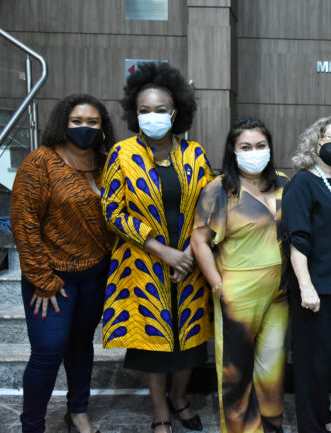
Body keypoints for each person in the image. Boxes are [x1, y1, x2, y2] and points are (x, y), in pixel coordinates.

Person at [100, 62, 214, 433]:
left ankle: (179, 398)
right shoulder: (121, 154)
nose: (152, 116)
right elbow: (112, 211)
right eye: (144, 110)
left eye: (160, 109)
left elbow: (210, 206)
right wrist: (160, 250)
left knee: (189, 342)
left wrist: (190, 254)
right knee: (153, 344)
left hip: (191, 263)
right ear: (134, 114)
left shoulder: (195, 154)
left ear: (175, 112)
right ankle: (160, 411)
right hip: (143, 264)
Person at [11, 94, 116, 433]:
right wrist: (42, 279)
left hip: (95, 275)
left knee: (81, 345)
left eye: (92, 122)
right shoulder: (40, 162)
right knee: (48, 351)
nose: (85, 127)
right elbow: (24, 223)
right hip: (52, 278)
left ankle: (78, 412)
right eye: (77, 121)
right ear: (63, 124)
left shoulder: (107, 164)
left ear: (103, 127)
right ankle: (32, 425)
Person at [191, 117, 289, 432]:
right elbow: (199, 241)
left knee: (272, 365)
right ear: (233, 151)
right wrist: (217, 285)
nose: (254, 152)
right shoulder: (218, 190)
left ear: (270, 148)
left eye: (260, 145)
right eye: (245, 147)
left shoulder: (284, 184)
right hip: (237, 293)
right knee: (236, 370)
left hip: (279, 292)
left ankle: (271, 425)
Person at [282, 115, 331, 433]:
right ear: (315, 142)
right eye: (330, 136)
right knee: (312, 364)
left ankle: (324, 418)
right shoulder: (302, 183)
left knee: (328, 360)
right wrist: (306, 286)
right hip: (314, 290)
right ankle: (311, 426)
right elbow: (297, 239)